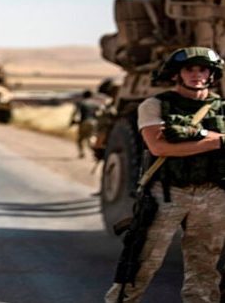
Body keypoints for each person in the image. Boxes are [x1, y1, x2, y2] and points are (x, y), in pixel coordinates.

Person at [104, 47, 225, 303]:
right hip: (167, 192)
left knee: (205, 269)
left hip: (213, 194)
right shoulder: (155, 105)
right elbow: (160, 147)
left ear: (212, 74)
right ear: (176, 74)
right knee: (141, 262)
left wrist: (189, 138)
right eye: (189, 69)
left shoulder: (221, 108)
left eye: (203, 69)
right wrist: (217, 141)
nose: (197, 75)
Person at [69, 89, 102, 158]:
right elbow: (99, 114)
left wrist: (72, 122)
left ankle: (82, 153)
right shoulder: (96, 104)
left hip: (84, 122)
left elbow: (75, 113)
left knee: (80, 139)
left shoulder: (81, 103)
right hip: (94, 123)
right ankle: (95, 152)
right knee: (90, 138)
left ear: (84, 96)